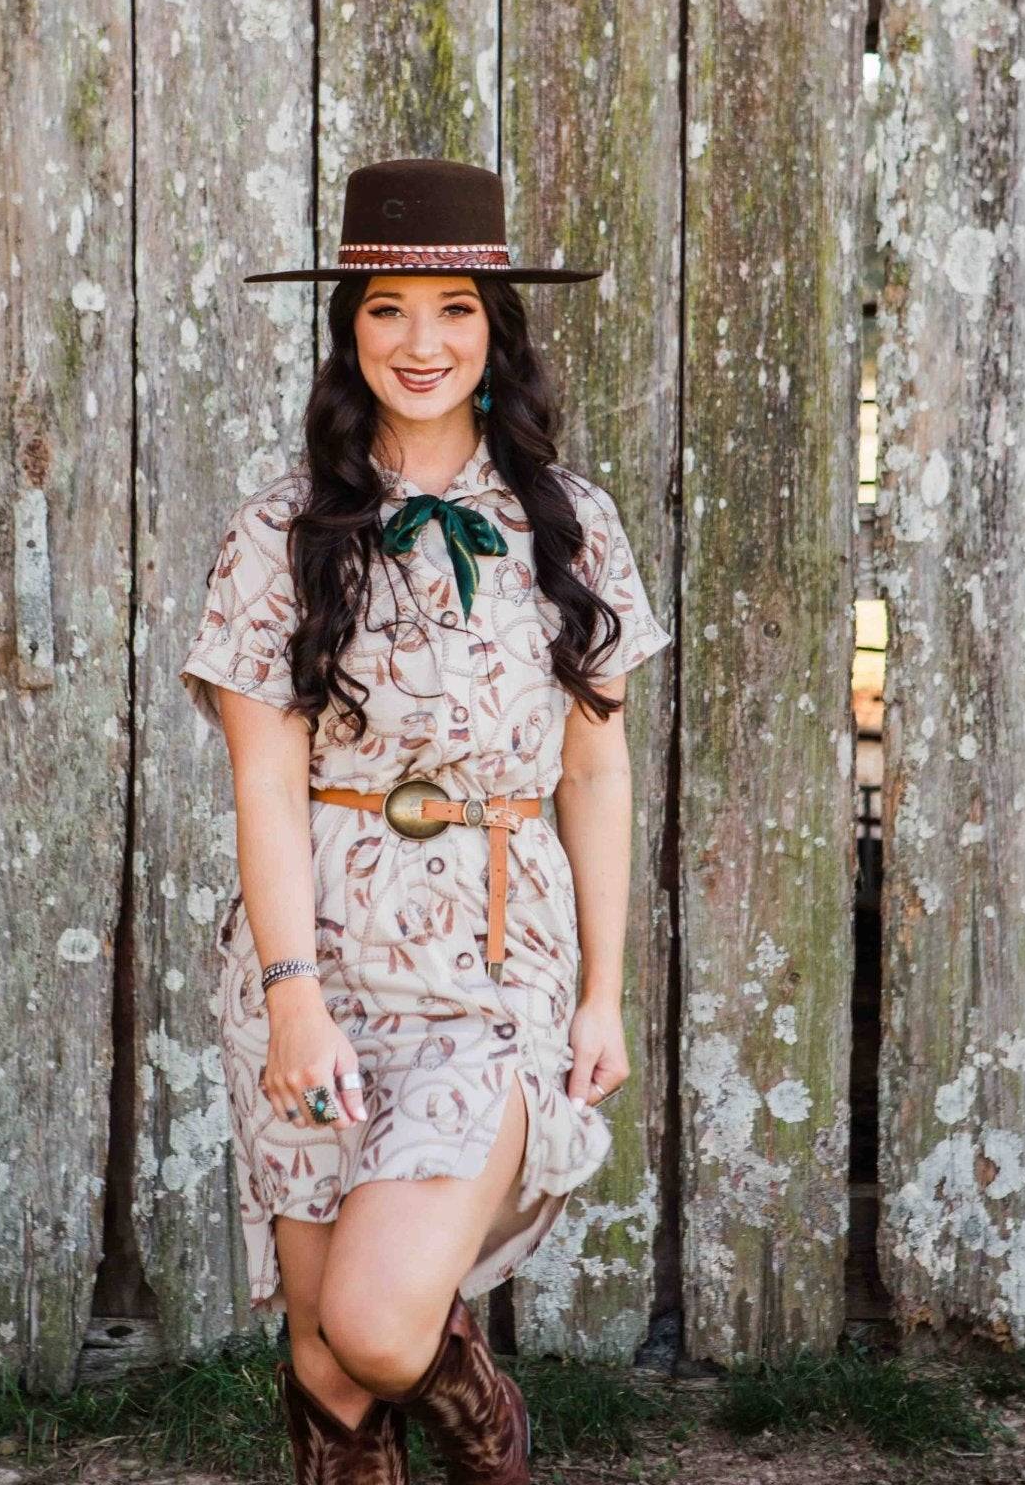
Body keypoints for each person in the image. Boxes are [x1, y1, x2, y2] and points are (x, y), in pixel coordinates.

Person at [179, 156, 672, 1483]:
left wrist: (603, 993)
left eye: (454, 309)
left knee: (380, 1322)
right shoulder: (279, 532)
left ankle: (490, 1431)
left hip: (496, 957)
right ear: (349, 331)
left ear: (493, 332)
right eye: (387, 308)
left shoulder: (573, 526)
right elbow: (264, 782)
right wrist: (291, 996)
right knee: (325, 1358)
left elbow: (595, 775)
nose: (421, 341)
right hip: (318, 954)